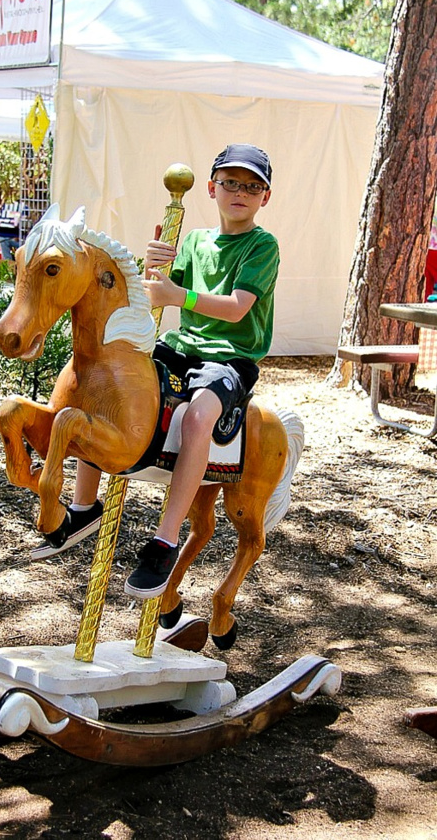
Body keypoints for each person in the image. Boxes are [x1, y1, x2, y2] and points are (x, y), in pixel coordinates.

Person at [32, 143, 280, 600]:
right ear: (211, 188)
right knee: (105, 386)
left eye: (251, 186)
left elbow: (238, 308)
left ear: (265, 196)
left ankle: (165, 541)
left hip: (229, 358)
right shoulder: (195, 240)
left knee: (200, 417)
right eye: (230, 183)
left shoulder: (262, 245)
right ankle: (85, 506)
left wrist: (176, 296)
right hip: (180, 348)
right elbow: (156, 293)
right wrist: (154, 267)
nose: (239, 193)